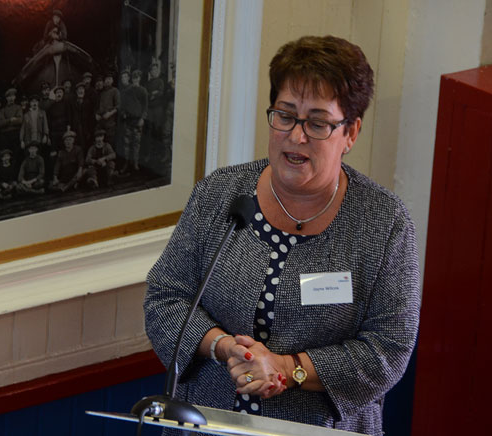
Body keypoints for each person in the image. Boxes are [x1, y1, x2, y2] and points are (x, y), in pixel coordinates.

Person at [143, 35, 420, 436]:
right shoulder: (219, 194)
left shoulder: (384, 224)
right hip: (207, 425)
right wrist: (225, 348)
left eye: (318, 123)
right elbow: (165, 299)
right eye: (286, 115)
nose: (296, 136)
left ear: (351, 132)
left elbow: (387, 350)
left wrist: (289, 370)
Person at [120, 69, 148, 173]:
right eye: (134, 78)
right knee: (126, 143)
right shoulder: (127, 91)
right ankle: (126, 163)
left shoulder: (143, 91)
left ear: (139, 79)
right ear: (131, 79)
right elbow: (122, 105)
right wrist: (123, 113)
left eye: (137, 78)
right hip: (128, 121)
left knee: (136, 143)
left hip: (138, 121)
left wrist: (142, 118)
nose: (135, 80)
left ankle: (135, 163)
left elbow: (145, 107)